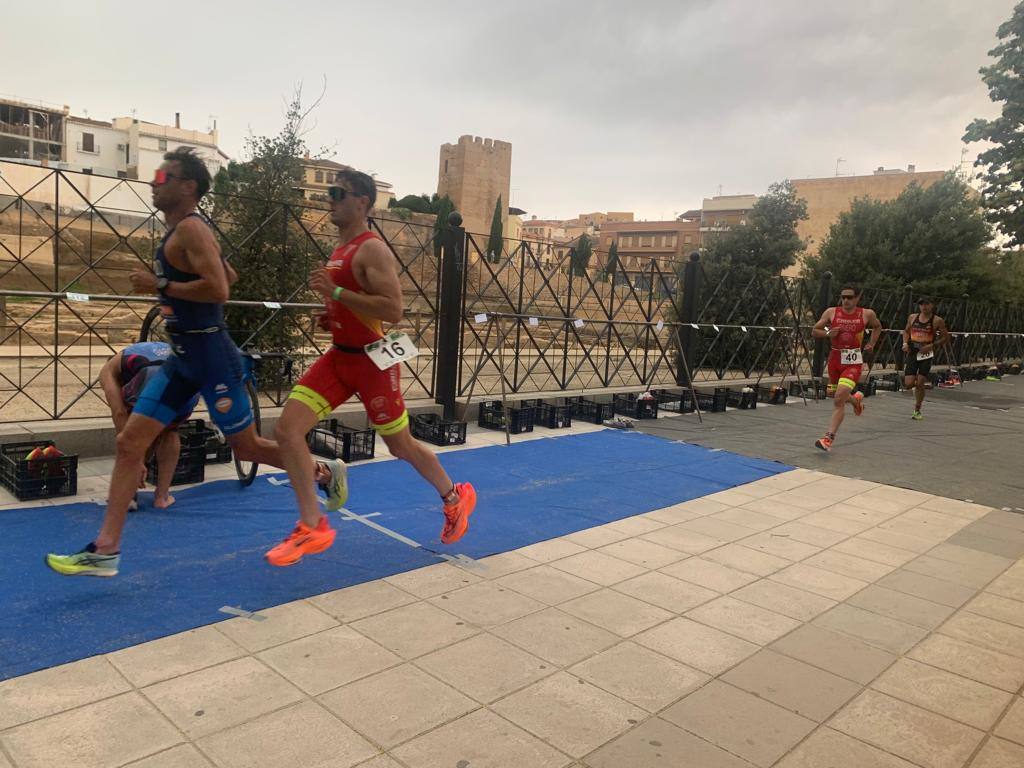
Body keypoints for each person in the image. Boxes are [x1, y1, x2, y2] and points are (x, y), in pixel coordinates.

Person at [46, 148, 346, 577]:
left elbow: (221, 291)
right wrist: (188, 277)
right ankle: (105, 549)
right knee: (130, 443)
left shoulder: (190, 230)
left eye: (162, 176)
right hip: (181, 357)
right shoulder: (183, 232)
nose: (154, 182)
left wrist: (162, 283)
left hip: (212, 357)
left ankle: (321, 471)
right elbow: (229, 277)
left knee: (247, 447)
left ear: (188, 187)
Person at [266, 168, 477, 567]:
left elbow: (393, 310)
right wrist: (332, 314)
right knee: (287, 429)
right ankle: (313, 524)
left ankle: (455, 496)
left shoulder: (371, 249)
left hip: (373, 362)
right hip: (339, 357)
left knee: (400, 445)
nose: (330, 199)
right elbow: (354, 302)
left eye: (337, 193)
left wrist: (337, 293)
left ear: (362, 202)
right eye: (330, 192)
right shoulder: (339, 249)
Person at [99, 340, 199, 509]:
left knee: (133, 428)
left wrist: (136, 459)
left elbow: (120, 414)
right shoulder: (134, 355)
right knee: (170, 430)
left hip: (151, 375)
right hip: (189, 379)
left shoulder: (107, 372)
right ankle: (162, 497)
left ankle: (127, 496)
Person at [811, 285, 884, 452]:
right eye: (843, 297)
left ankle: (828, 438)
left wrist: (872, 343)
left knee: (838, 399)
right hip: (835, 359)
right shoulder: (831, 312)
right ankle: (855, 400)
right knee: (833, 394)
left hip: (853, 361)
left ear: (857, 298)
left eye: (850, 297)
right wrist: (828, 334)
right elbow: (815, 331)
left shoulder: (866, 314)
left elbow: (877, 326)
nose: (845, 300)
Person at [902, 296, 949, 420]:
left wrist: (932, 346)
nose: (924, 307)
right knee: (908, 384)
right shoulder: (912, 317)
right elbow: (906, 331)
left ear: (932, 305)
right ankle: (919, 387)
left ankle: (917, 409)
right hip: (913, 352)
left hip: (926, 354)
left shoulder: (937, 320)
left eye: (927, 304)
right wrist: (905, 343)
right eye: (921, 304)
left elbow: (946, 337)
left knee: (920, 382)